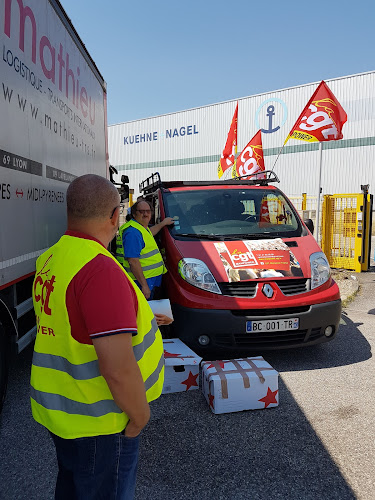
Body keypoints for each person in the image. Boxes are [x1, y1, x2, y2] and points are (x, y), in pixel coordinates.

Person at [30, 174, 164, 500]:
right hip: (100, 422)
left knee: (74, 488)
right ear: (114, 215)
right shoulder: (99, 269)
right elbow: (117, 368)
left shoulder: (50, 259)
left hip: (63, 414)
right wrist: (140, 416)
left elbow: (69, 324)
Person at [116, 200, 174, 300]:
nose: (146, 214)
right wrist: (144, 286)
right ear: (134, 214)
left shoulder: (140, 228)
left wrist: (163, 223)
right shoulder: (133, 232)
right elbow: (133, 261)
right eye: (141, 211)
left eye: (148, 211)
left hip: (149, 278)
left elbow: (150, 233)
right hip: (143, 281)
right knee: (144, 311)